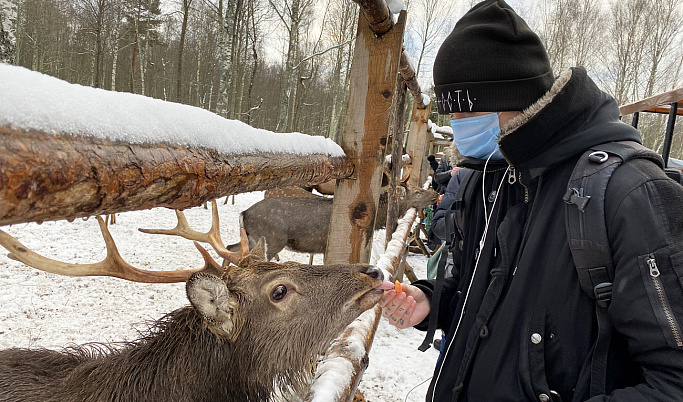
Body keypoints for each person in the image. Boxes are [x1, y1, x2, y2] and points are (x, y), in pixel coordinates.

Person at [378, 1, 683, 401]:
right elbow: (484, 295)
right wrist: (434, 299)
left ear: (515, 99)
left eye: (467, 111)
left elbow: (673, 380)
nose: (456, 126)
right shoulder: (490, 176)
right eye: (449, 112)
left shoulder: (627, 193)